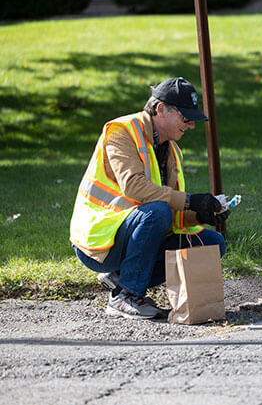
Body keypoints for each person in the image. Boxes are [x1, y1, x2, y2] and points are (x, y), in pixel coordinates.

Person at [70, 77, 229, 319]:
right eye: (185, 117)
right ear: (160, 109)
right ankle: (126, 295)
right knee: (158, 212)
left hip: (133, 232)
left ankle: (120, 278)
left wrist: (201, 213)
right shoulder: (122, 132)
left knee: (213, 243)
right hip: (98, 243)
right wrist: (188, 200)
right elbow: (135, 188)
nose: (191, 125)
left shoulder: (172, 149)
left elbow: (169, 208)